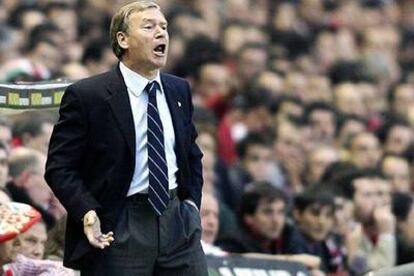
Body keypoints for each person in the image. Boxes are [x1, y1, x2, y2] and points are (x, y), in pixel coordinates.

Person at [44, 1, 207, 275]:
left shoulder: (179, 90)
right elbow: (60, 167)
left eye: (164, 27)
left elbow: (191, 153)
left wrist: (190, 203)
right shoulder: (88, 96)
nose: (161, 33)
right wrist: (86, 211)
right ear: (123, 39)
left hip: (177, 221)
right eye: (149, 26)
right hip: (120, 223)